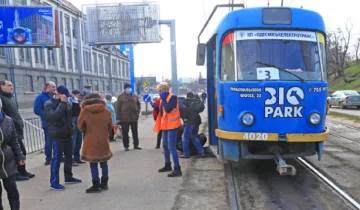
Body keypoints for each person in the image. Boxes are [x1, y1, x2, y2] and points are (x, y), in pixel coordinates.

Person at [44, 85, 81, 190]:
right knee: (57, 159)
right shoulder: (49, 104)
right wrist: (63, 104)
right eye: (65, 96)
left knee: (69, 157)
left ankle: (68, 176)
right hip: (57, 135)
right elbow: (53, 116)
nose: (67, 98)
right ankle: (54, 182)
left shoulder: (66, 103)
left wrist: (75, 103)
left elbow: (75, 113)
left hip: (68, 134)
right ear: (58, 94)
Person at [78, 93, 113, 193]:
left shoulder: (84, 111)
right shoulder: (106, 111)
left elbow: (81, 127)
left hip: (90, 141)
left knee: (93, 164)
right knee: (104, 162)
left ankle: (95, 185)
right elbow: (110, 126)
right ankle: (105, 183)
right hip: (103, 140)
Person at [0, 80, 34, 181]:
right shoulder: (2, 99)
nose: (12, 87)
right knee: (17, 152)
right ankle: (16, 173)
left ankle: (23, 171)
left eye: (12, 85)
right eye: (9, 85)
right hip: (9, 131)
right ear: (2, 86)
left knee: (21, 151)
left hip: (17, 129)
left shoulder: (10, 97)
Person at [0, 99, 25, 209]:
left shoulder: (8, 120)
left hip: (8, 157)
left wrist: (19, 155)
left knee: (12, 189)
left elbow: (14, 140)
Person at [153, 82, 182, 177]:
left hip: (173, 125)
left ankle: (177, 169)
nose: (160, 93)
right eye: (159, 91)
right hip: (165, 126)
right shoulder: (162, 99)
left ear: (166, 89)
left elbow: (169, 108)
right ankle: (167, 165)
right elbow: (162, 112)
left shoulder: (172, 98)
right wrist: (156, 108)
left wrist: (164, 99)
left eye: (161, 91)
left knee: (171, 147)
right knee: (164, 146)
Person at [34, 81, 56, 166]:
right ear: (47, 87)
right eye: (53, 87)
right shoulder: (40, 97)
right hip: (48, 124)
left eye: (55, 87)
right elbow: (37, 109)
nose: (55, 89)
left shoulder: (55, 96)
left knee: (57, 142)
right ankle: (48, 158)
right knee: (49, 142)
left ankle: (56, 157)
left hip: (57, 123)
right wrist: (47, 115)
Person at [178, 92, 206, 158]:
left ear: (186, 96)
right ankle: (201, 152)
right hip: (197, 121)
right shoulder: (195, 102)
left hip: (189, 121)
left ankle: (186, 154)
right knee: (194, 136)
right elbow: (200, 109)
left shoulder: (184, 102)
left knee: (185, 137)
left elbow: (182, 111)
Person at [116, 83, 141, 151]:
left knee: (135, 132)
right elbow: (118, 108)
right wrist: (118, 118)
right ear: (125, 89)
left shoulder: (134, 96)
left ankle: (136, 145)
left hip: (134, 117)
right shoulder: (120, 97)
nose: (129, 89)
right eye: (127, 88)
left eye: (129, 88)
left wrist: (138, 111)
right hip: (124, 118)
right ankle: (126, 146)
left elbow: (138, 104)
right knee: (125, 132)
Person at [70, 90, 85, 166]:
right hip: (74, 126)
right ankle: (71, 160)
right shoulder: (71, 104)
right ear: (74, 95)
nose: (81, 97)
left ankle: (77, 158)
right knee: (73, 144)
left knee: (79, 143)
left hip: (79, 126)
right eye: (79, 95)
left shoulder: (79, 103)